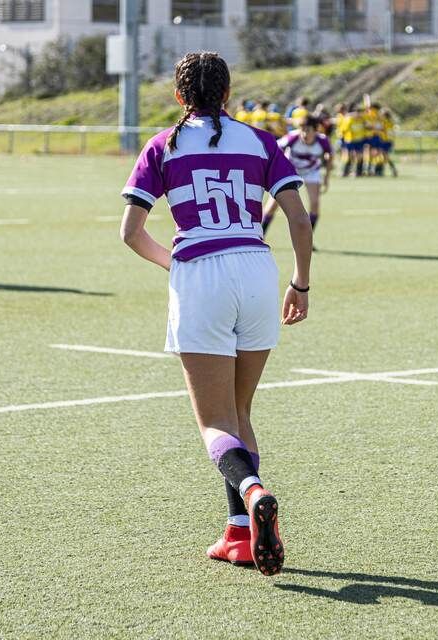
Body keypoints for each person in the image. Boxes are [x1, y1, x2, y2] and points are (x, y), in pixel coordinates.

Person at [119, 52, 313, 575]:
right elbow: (298, 218)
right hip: (256, 268)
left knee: (214, 423)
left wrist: (175, 265)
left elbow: (131, 233)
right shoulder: (261, 140)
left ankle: (252, 494)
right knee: (240, 414)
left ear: (180, 97)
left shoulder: (163, 144)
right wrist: (300, 282)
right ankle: (240, 536)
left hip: (200, 273)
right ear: (228, 93)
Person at [262, 115, 333, 236]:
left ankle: (307, 239)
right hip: (290, 171)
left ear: (316, 130)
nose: (304, 133)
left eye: (308, 130)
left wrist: (326, 178)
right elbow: (274, 149)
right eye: (303, 129)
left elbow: (330, 156)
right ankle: (260, 236)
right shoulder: (293, 137)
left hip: (311, 171)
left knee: (315, 204)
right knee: (272, 205)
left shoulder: (323, 141)